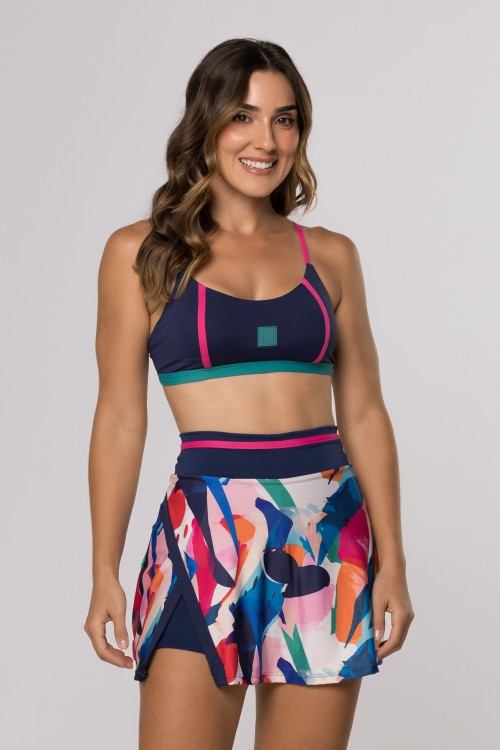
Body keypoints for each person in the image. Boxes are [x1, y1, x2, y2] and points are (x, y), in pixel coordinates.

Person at [84, 38, 414, 750]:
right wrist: (103, 571)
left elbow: (363, 413)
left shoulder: (332, 255)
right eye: (244, 116)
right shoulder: (140, 254)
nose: (266, 140)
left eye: (284, 120)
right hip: (203, 537)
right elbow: (118, 420)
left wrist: (394, 559)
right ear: (206, 124)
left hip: (327, 535)